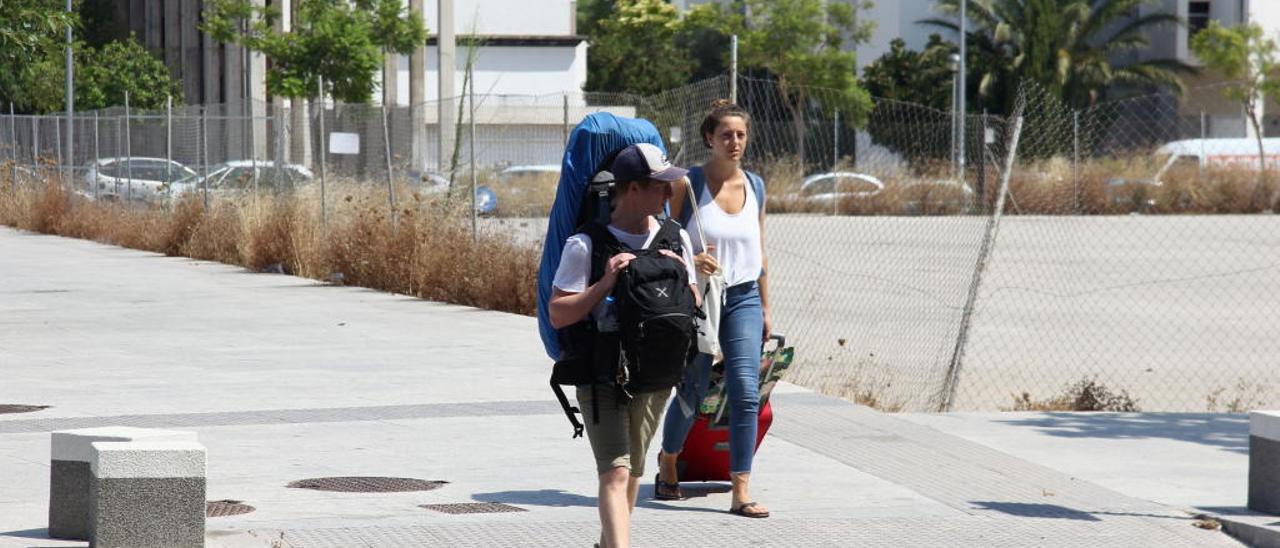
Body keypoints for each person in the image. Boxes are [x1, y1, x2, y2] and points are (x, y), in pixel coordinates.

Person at [548, 142, 700, 548]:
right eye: (660, 186)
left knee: (632, 471)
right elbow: (559, 313)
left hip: (654, 374)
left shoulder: (675, 237)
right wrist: (605, 282)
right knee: (614, 473)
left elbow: (693, 305)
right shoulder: (587, 244)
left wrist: (682, 275)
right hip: (601, 373)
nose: (669, 195)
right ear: (632, 189)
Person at [655, 100, 773, 518]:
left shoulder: (756, 185)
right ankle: (669, 461)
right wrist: (692, 260)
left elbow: (759, 251)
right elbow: (661, 238)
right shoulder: (688, 184)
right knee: (694, 388)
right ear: (709, 138)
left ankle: (741, 490)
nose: (735, 142)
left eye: (740, 134)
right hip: (699, 297)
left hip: (742, 297)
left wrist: (765, 307)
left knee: (745, 392)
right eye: (726, 134)